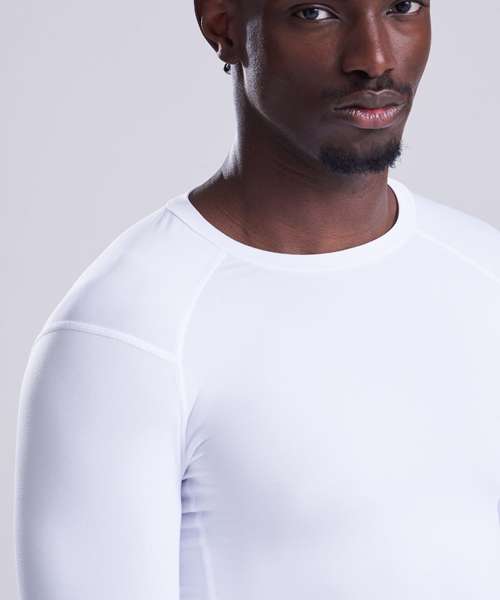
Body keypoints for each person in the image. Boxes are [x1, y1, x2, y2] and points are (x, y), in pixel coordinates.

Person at [14, 1, 500, 599]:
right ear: (222, 23)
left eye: (401, 6)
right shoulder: (129, 333)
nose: (374, 59)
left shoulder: (485, 274)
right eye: (316, 12)